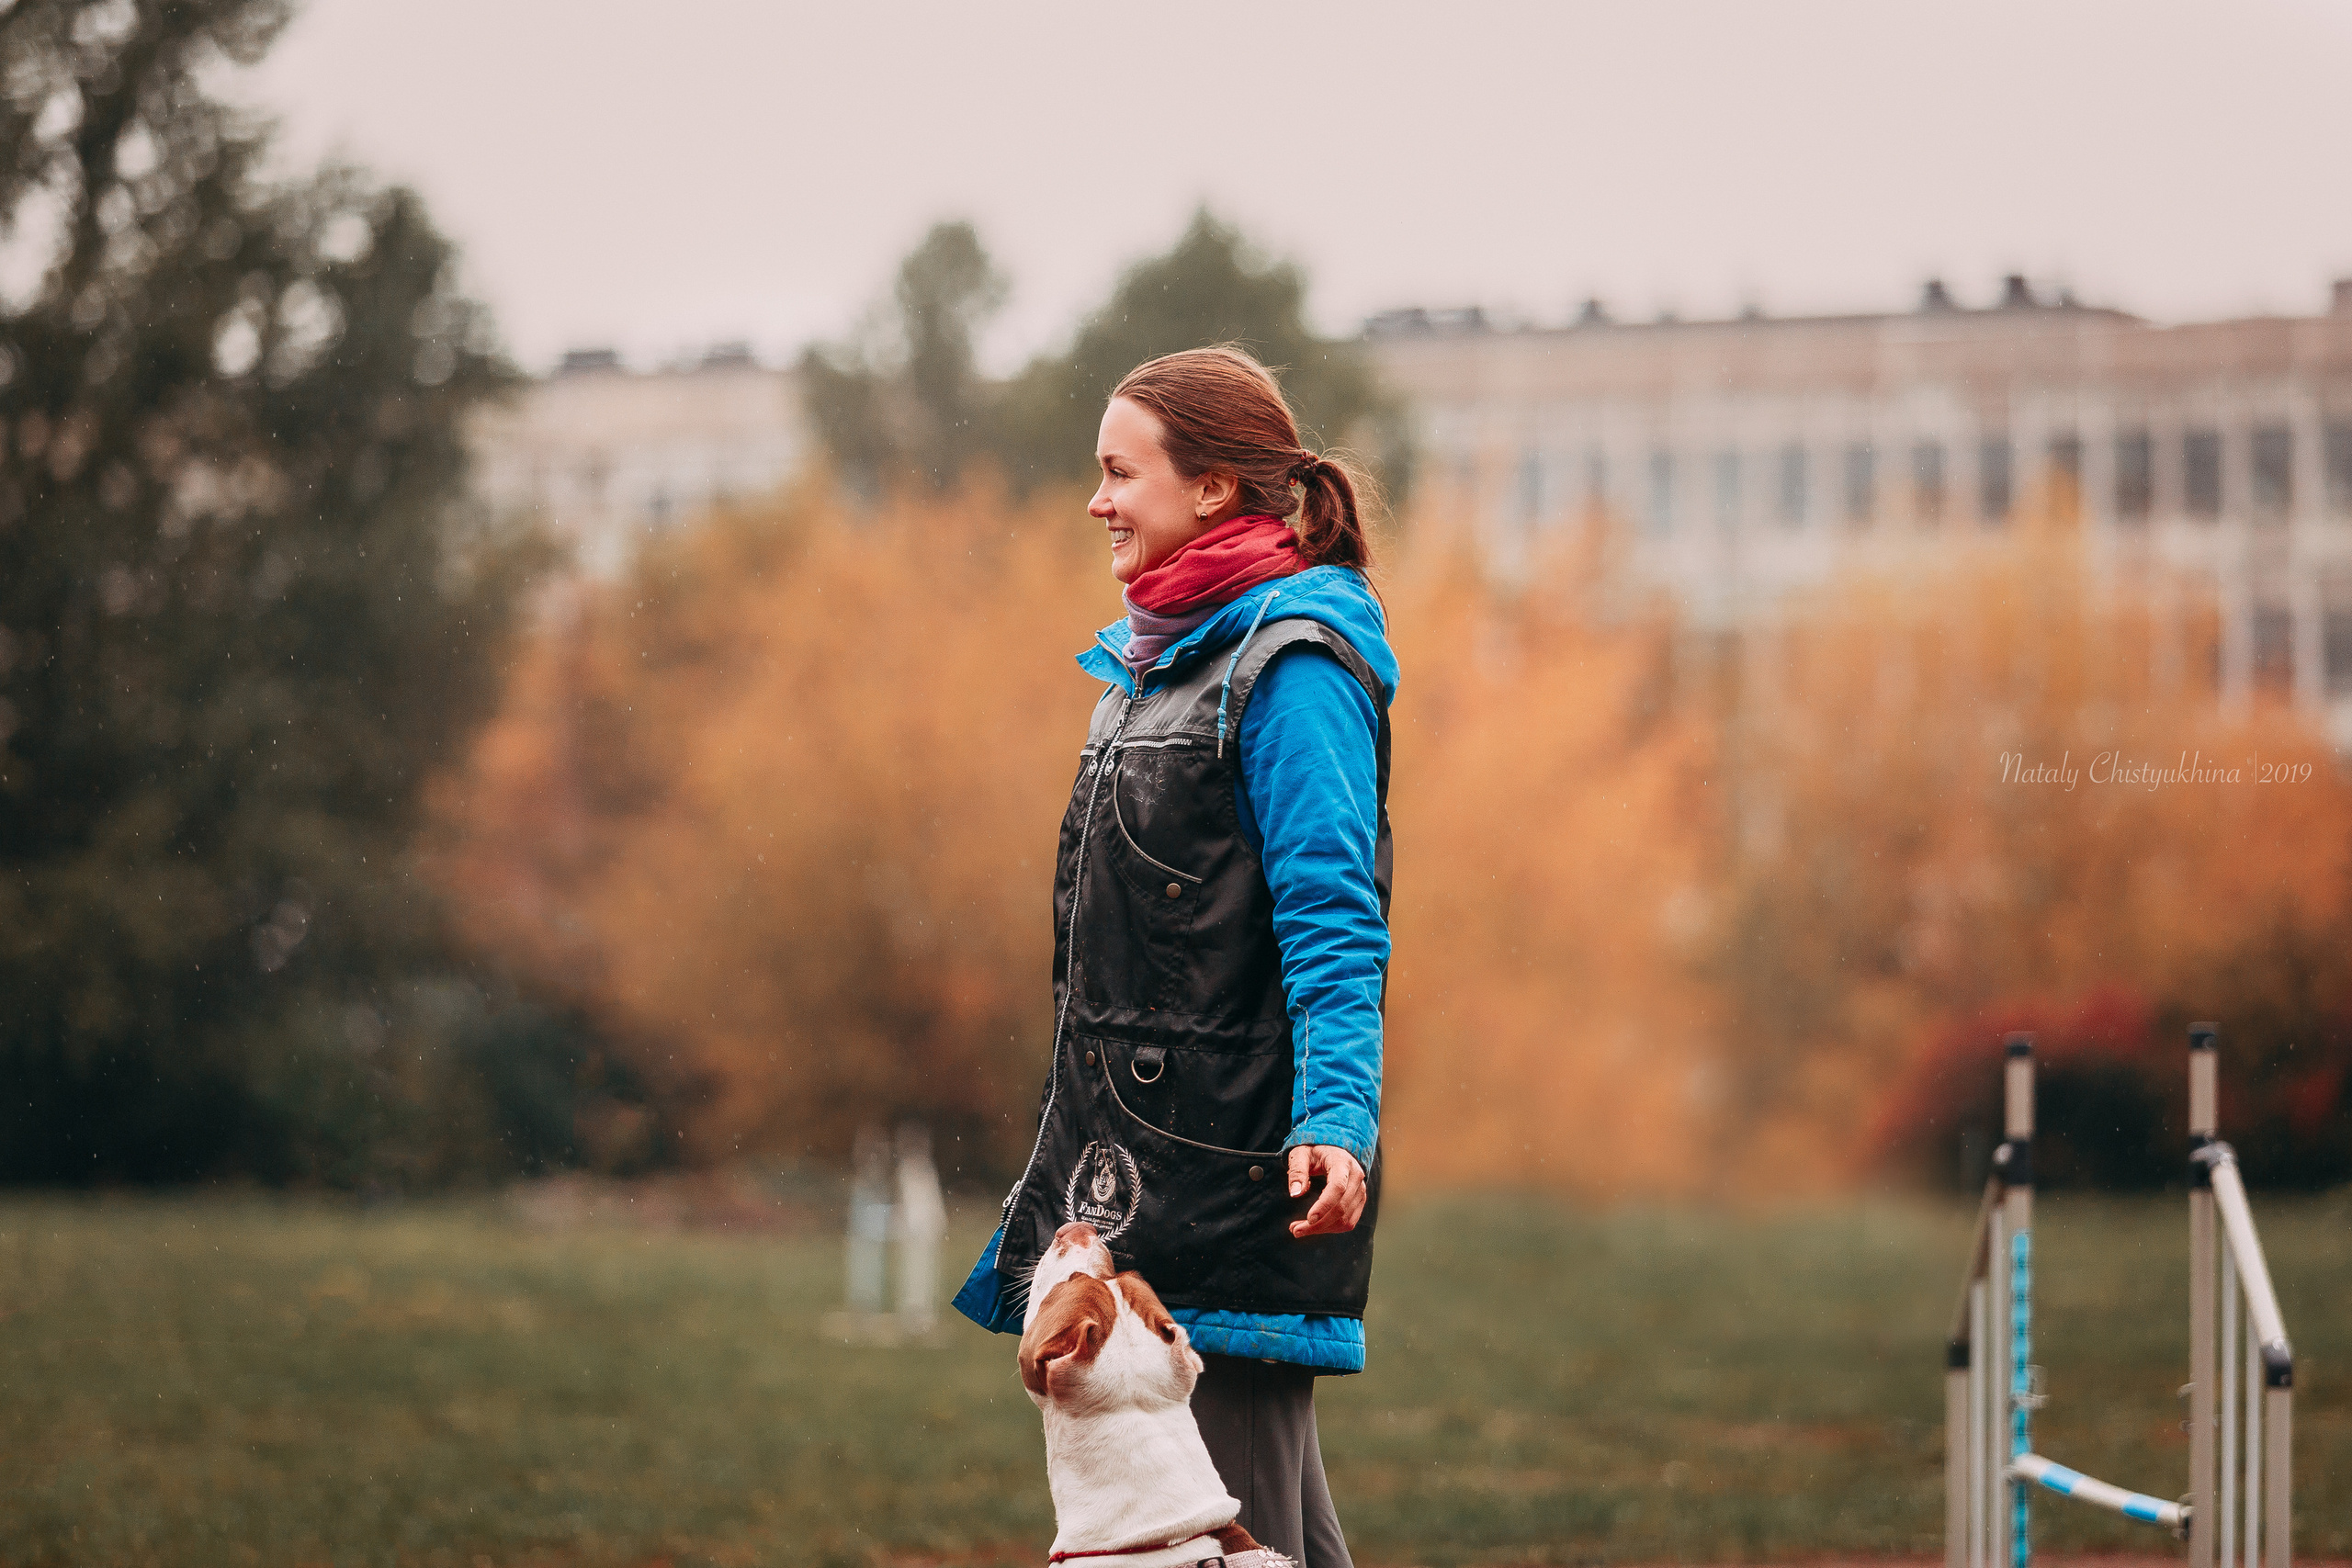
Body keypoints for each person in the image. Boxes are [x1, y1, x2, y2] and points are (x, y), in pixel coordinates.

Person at [954, 345, 1394, 1566]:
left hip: (1237, 1171)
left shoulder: (1292, 669)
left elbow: (1333, 916)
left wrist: (1337, 1117)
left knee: (1213, 1533)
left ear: (1212, 489)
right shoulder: (1152, 666)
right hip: (1136, 1165)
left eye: (1119, 472)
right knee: (1274, 1534)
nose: (1097, 500)